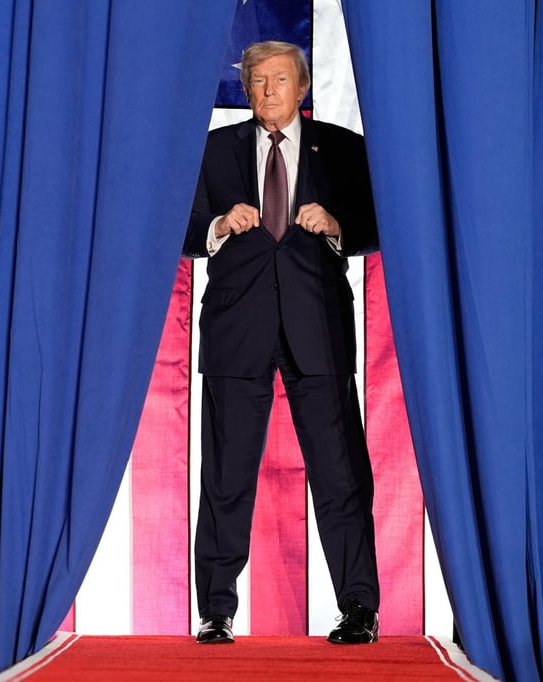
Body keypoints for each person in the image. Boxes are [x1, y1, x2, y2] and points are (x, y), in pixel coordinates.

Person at [182, 41, 380, 645]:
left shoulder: (343, 150)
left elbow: (378, 223)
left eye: (279, 80)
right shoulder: (213, 151)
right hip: (236, 334)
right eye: (257, 81)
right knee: (225, 478)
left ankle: (359, 610)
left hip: (317, 332)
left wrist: (338, 226)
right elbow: (182, 231)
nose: (268, 91)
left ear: (303, 88)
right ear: (246, 90)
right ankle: (215, 612)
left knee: (341, 477)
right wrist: (218, 227)